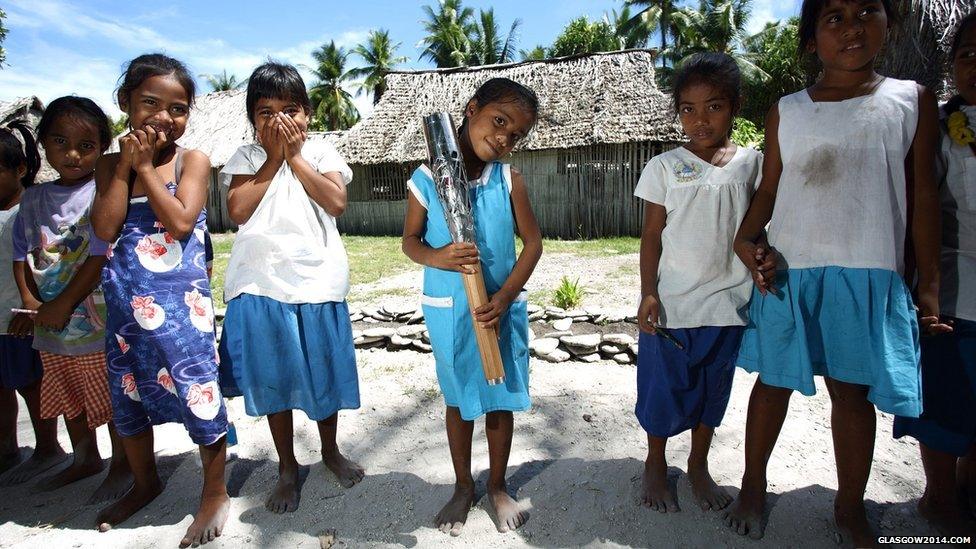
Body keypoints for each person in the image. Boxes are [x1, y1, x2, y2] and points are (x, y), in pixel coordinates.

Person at [723, 0, 951, 545]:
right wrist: (745, 238)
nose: (852, 27)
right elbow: (772, 187)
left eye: (866, 12)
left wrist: (930, 290)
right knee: (772, 381)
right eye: (834, 17)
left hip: (868, 273)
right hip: (790, 272)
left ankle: (849, 508)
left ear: (887, 25)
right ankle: (752, 484)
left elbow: (922, 198)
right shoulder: (790, 109)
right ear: (810, 41)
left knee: (851, 394)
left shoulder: (910, 100)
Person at [92, 53, 228, 548]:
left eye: (179, 108)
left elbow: (181, 222)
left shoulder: (192, 160)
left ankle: (214, 490)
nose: (165, 117)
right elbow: (105, 228)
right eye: (151, 103)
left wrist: (146, 166)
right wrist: (128, 165)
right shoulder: (109, 165)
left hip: (182, 310)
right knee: (128, 397)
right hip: (126, 307)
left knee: (198, 392)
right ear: (126, 102)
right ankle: (145, 482)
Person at [218, 61, 362, 515]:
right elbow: (238, 210)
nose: (279, 120)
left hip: (318, 281)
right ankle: (286, 467)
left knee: (322, 372)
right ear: (251, 119)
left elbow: (336, 201)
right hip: (259, 284)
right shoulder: (244, 157)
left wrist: (295, 156)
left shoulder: (322, 153)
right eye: (265, 112)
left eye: (290, 109)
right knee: (275, 378)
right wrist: (275, 158)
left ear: (308, 115)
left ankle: (330, 452)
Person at [402, 77, 543, 535]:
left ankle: (498, 486)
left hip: (500, 309)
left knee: (499, 398)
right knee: (460, 399)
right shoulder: (426, 180)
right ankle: (464, 486)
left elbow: (533, 245)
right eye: (499, 121)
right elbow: (410, 241)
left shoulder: (509, 179)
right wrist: (438, 257)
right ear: (471, 108)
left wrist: (505, 297)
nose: (503, 138)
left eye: (515, 134)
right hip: (452, 312)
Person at [633, 52, 768, 514]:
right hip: (673, 304)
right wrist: (649, 291)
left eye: (713, 106)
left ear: (734, 106)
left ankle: (698, 464)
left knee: (713, 391)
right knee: (662, 388)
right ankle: (655, 461)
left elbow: (759, 227)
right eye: (687, 108)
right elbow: (652, 235)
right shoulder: (664, 167)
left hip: (729, 302)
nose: (699, 118)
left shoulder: (753, 165)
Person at [11, 97, 131, 501]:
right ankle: (84, 457)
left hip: (95, 314)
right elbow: (20, 255)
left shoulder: (104, 190)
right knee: (66, 390)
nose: (73, 154)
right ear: (43, 144)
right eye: (60, 142)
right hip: (50, 317)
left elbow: (101, 253)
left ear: (102, 147)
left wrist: (62, 304)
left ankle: (122, 462)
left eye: (86, 145)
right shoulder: (32, 200)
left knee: (108, 391)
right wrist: (30, 298)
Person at [892, 10, 976, 535]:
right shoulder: (941, 131)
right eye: (968, 54)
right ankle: (940, 499)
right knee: (945, 400)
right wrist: (917, 285)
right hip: (952, 290)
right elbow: (916, 204)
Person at [0, 121, 67, 483]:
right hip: (5, 315)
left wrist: (31, 304)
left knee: (31, 383)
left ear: (20, 169)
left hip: (19, 318)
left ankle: (47, 447)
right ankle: (8, 448)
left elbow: (33, 260)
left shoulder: (26, 209)